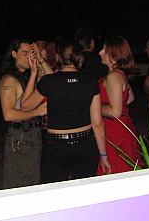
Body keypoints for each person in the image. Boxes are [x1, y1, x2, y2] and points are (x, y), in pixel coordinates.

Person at [22, 39, 111, 183]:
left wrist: (34, 72)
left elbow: (25, 106)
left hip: (56, 146)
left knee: (54, 191)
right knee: (83, 190)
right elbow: (97, 124)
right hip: (85, 144)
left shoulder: (49, 81)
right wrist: (104, 156)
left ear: (58, 57)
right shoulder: (90, 81)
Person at [0, 39, 48, 189]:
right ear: (14, 54)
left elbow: (52, 79)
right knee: (19, 183)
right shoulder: (9, 80)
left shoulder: (29, 77)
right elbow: (8, 114)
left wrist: (40, 60)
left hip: (34, 135)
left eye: (30, 53)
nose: (28, 57)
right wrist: (36, 112)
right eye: (24, 53)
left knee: (34, 182)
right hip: (19, 137)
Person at [97, 36, 141, 174]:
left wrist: (94, 107)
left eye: (104, 50)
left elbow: (115, 112)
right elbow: (130, 98)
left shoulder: (113, 76)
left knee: (117, 171)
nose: (100, 53)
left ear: (114, 56)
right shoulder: (119, 74)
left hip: (115, 133)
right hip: (122, 128)